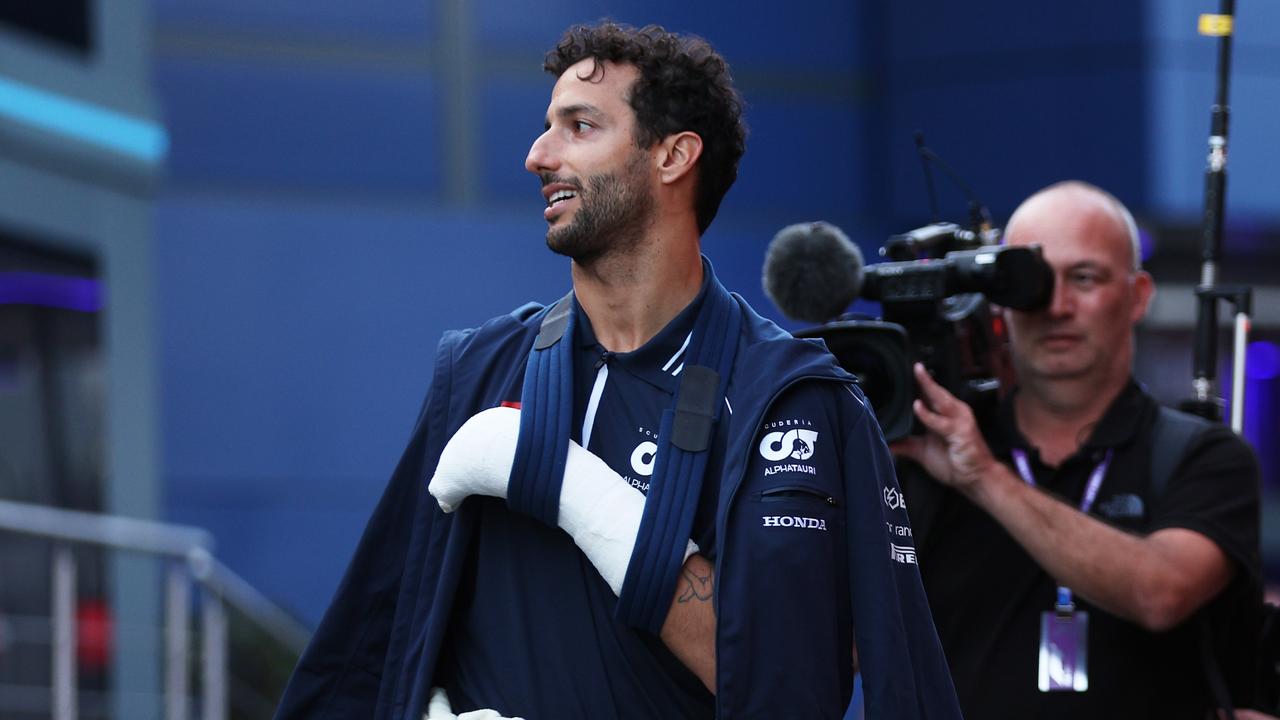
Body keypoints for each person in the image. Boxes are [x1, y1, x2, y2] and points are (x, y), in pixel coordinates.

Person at [274, 21, 960, 720]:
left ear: (672, 156)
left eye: (579, 126)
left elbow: (791, 685)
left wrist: (579, 495)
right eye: (548, 127)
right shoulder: (479, 371)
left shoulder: (788, 400)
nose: (538, 156)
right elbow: (364, 651)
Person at [894, 180, 1262, 718]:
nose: (1057, 305)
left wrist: (984, 477)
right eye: (1033, 281)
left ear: (1138, 296)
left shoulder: (1204, 456)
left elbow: (1161, 593)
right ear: (1000, 302)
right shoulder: (928, 457)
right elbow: (844, 648)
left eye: (1084, 278)